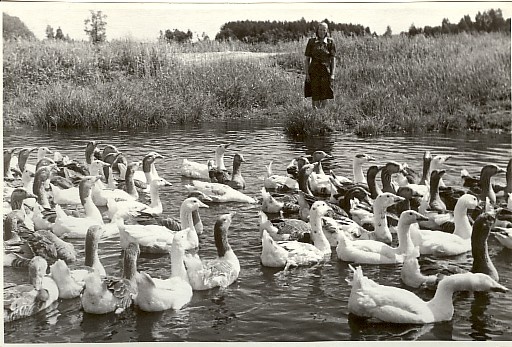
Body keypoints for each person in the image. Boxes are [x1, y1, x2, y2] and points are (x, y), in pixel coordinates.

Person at [304, 22, 336, 109]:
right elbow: (307, 59)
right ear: (317, 30)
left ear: (327, 31)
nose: (322, 32)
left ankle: (322, 114)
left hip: (326, 72)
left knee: (324, 94)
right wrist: (307, 74)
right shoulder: (311, 42)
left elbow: (333, 59)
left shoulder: (330, 42)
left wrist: (332, 74)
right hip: (314, 71)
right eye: (320, 29)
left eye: (324, 30)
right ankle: (315, 115)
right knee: (315, 94)